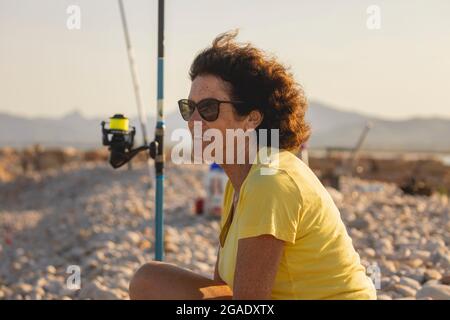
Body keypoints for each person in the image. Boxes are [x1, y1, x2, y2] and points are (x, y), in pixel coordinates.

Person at [129, 30, 376, 300]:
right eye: (190, 108)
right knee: (149, 280)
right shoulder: (239, 183)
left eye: (209, 108)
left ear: (251, 119)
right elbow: (224, 290)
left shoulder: (270, 180)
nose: (193, 121)